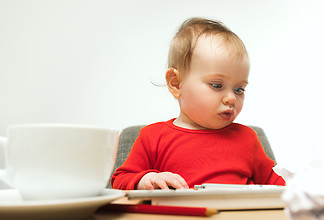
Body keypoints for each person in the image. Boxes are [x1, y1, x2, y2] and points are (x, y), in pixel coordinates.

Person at [111, 17, 285, 190]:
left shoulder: (248, 138)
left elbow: (277, 183)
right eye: (217, 85)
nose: (231, 98)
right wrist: (148, 179)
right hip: (180, 217)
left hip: (239, 217)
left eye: (239, 89)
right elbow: (120, 180)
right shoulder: (152, 137)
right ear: (176, 84)